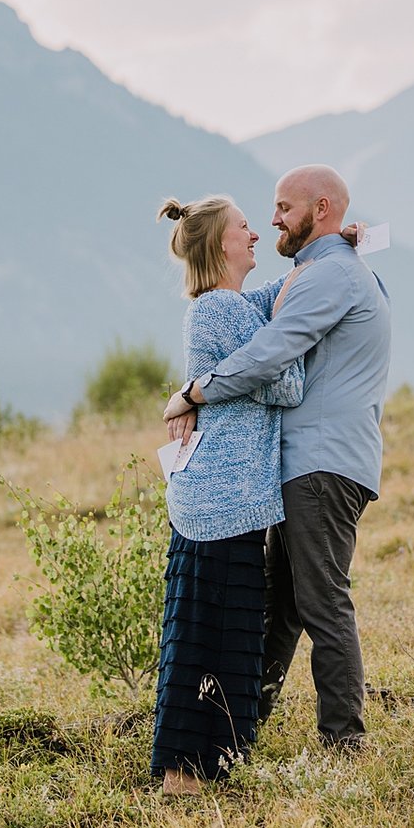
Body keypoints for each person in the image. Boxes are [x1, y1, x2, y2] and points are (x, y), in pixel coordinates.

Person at [164, 164, 392, 749]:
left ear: (320, 209)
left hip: (319, 465)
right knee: (285, 606)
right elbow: (257, 311)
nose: (272, 221)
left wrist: (195, 390)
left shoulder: (329, 277)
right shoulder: (328, 269)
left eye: (283, 209)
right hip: (315, 465)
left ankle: (343, 740)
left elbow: (269, 355)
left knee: (318, 603)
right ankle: (243, 727)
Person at [151, 193, 304, 797]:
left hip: (218, 497)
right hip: (224, 498)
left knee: (205, 626)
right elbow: (286, 383)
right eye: (246, 228)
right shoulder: (221, 310)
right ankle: (188, 774)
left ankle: (196, 767)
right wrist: (199, 391)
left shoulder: (227, 306)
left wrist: (326, 252)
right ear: (221, 244)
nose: (257, 235)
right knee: (215, 630)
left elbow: (274, 304)